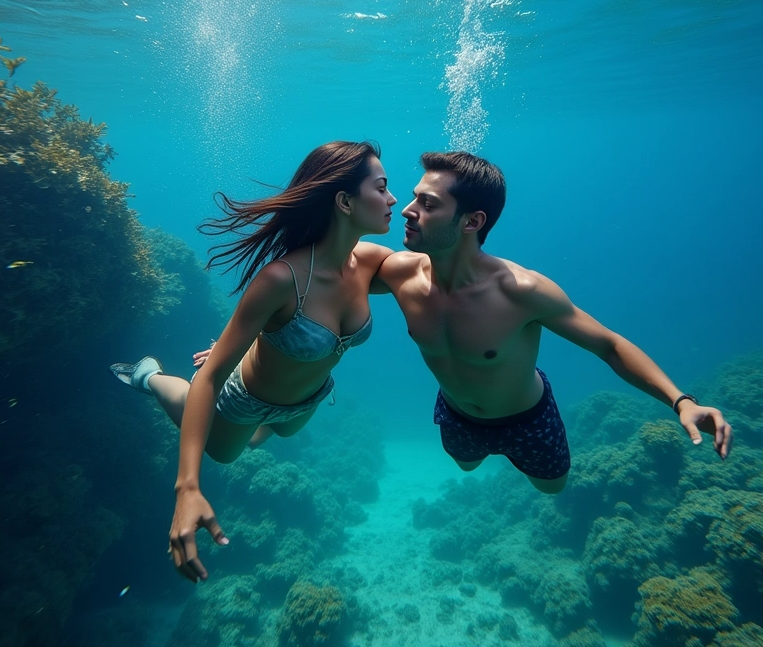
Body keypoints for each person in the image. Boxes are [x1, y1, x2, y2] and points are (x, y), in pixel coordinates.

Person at [109, 141, 396, 582]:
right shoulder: (281, 279)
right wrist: (187, 488)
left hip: (307, 401)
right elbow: (210, 378)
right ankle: (150, 377)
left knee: (267, 436)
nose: (393, 199)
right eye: (381, 188)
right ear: (344, 201)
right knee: (226, 450)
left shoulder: (371, 262)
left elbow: (434, 270)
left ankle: (242, 362)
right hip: (244, 398)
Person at [372, 151, 733, 495]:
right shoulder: (398, 273)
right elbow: (341, 261)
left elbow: (609, 345)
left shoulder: (522, 291)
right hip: (457, 415)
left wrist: (681, 401)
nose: (407, 209)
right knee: (465, 465)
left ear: (472, 221)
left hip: (527, 420)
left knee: (552, 487)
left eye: (428, 204)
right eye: (415, 197)